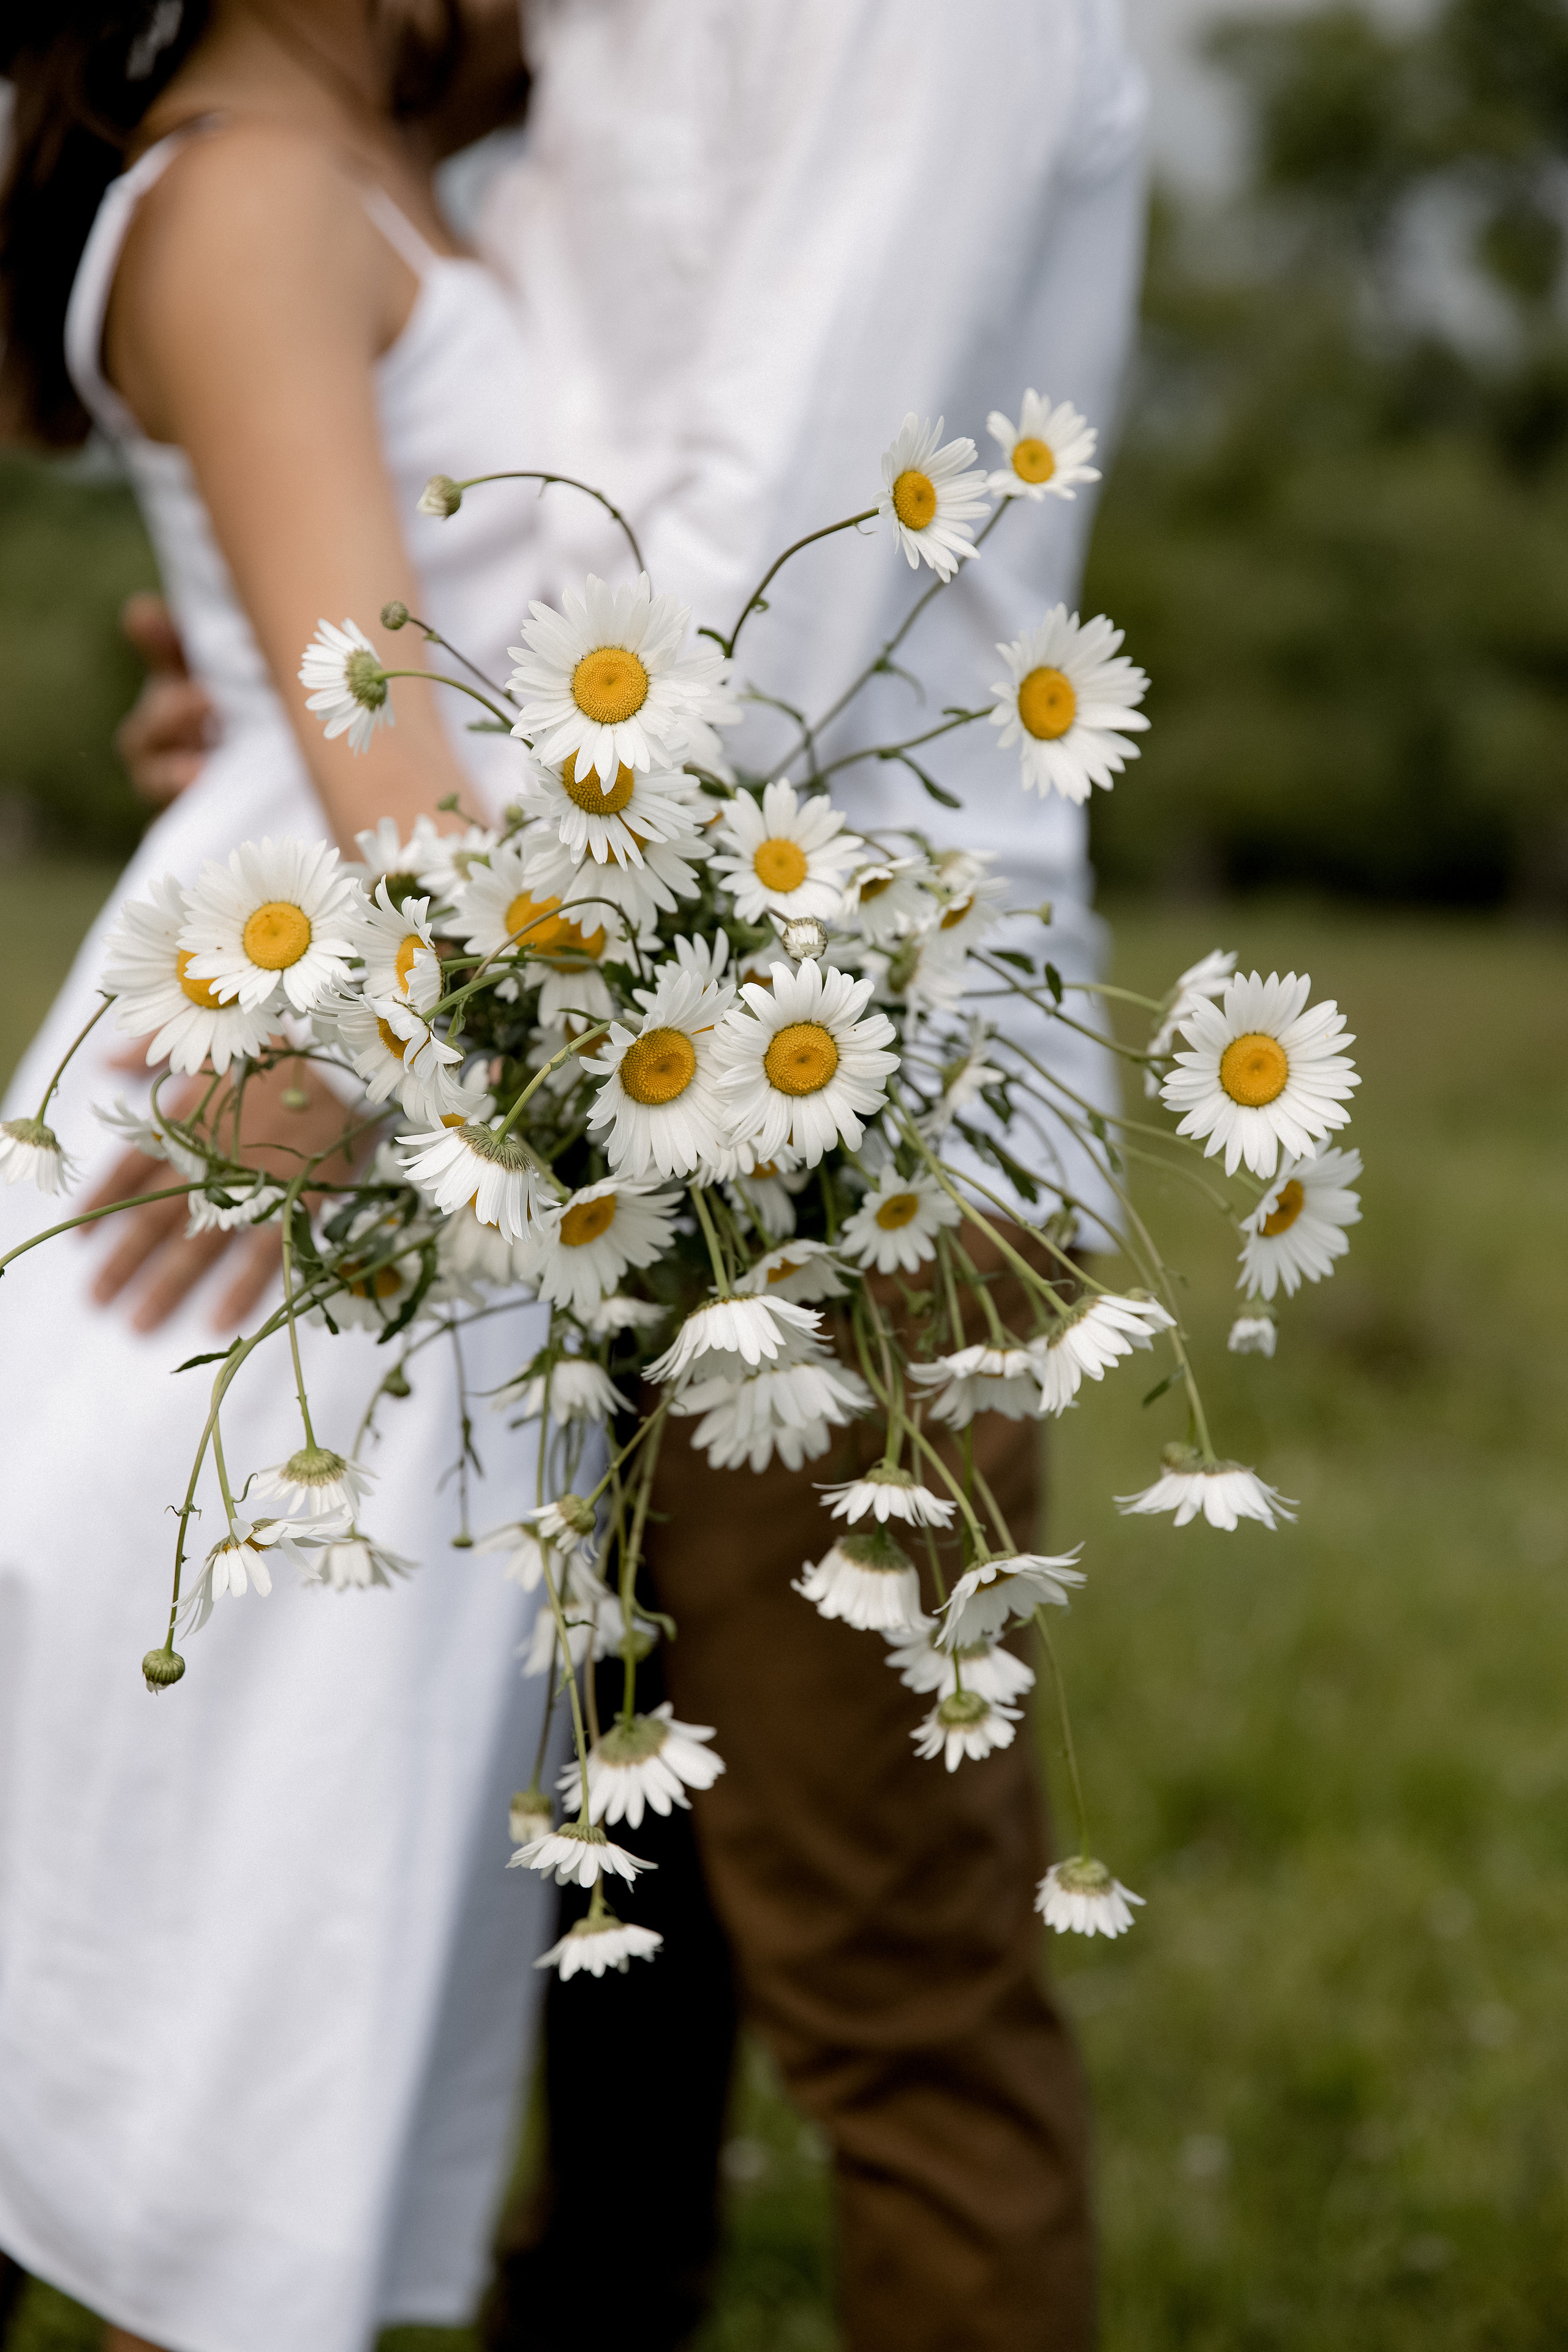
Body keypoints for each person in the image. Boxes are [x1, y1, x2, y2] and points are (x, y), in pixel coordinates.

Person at [113, 7, 1150, 2348]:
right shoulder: (544, 32)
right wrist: (282, 713)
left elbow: (771, 574)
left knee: (890, 1970)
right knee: (599, 1927)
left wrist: (392, 977)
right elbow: (503, 504)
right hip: (548, 1110)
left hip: (855, 1101)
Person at [0, 7, 575, 2349]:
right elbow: (392, 779)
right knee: (194, 2016)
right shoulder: (247, 189)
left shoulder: (399, 156)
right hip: (282, 1155)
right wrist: (384, 1049)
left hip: (416, 1121)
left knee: (233, 2010)